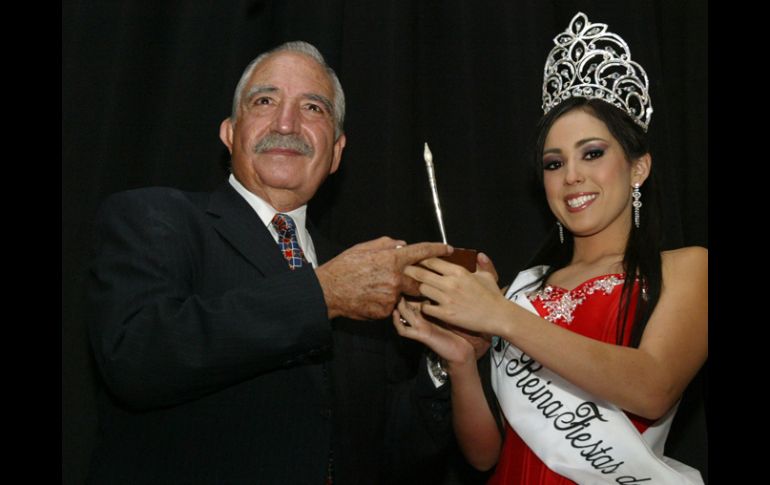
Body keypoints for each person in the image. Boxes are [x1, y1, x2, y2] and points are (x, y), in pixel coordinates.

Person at [86, 40, 459, 484]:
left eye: (313, 108)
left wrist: (442, 360)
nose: (287, 123)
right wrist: (322, 295)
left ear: (337, 152)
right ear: (229, 133)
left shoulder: (359, 274)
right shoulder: (154, 217)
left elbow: (385, 452)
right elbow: (137, 357)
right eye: (265, 101)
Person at [393, 12, 707, 484]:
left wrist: (500, 316)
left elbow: (653, 387)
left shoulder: (688, 268)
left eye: (593, 153)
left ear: (638, 168)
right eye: (554, 163)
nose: (572, 176)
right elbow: (485, 455)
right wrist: (460, 363)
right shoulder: (527, 287)